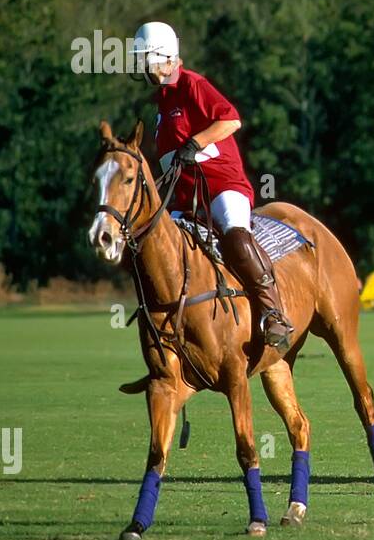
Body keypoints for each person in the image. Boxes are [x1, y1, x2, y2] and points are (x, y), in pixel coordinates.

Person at [120, 22, 293, 392]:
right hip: (186, 199)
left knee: (235, 235)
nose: (140, 67)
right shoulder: (161, 105)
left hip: (222, 186)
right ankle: (165, 351)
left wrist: (195, 143)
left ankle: (273, 313)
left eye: (143, 59)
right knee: (150, 248)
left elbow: (230, 119)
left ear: (162, 58)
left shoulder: (192, 85)